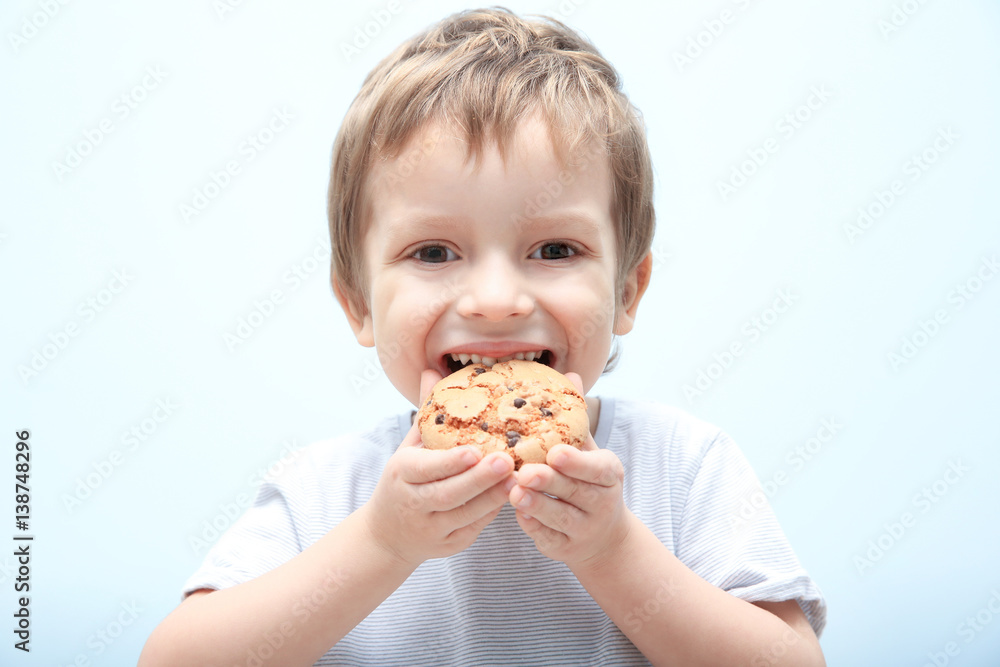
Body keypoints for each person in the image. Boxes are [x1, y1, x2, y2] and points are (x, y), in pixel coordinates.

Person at [140, 7, 827, 666]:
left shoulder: (684, 468)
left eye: (554, 249)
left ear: (627, 290)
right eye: (434, 253)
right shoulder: (324, 494)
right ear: (357, 302)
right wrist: (381, 543)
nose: (497, 302)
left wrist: (612, 550)